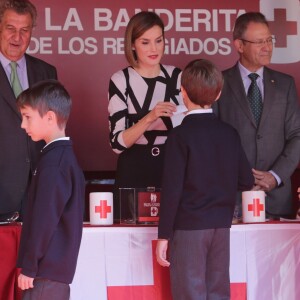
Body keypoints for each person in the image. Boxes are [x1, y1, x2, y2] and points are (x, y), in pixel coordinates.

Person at [156, 59, 254, 300]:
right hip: (221, 225)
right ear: (218, 93)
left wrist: (163, 235)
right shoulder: (229, 134)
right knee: (218, 292)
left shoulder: (179, 136)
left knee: (190, 292)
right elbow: (246, 180)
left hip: (189, 227)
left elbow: (172, 190)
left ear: (183, 92)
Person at [215, 12, 300, 219]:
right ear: (239, 45)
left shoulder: (285, 84)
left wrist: (275, 176)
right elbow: (211, 142)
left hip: (277, 198)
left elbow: (297, 136)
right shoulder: (219, 83)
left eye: (269, 40)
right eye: (259, 42)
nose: (267, 47)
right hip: (232, 200)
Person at [108, 11, 185, 220]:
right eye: (145, 42)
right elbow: (117, 143)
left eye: (158, 41)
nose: (154, 49)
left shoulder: (177, 77)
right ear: (132, 45)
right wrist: (150, 117)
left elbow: (187, 130)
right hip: (133, 172)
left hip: (171, 169)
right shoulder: (120, 79)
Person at [16, 80, 85, 300]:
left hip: (45, 273)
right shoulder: (58, 158)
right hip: (51, 272)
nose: (23, 125)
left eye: (27, 117)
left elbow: (44, 220)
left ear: (50, 117)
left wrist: (30, 265)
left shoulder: (55, 163)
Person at [0, 0, 57, 218]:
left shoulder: (47, 73)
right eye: (10, 29)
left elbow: (54, 133)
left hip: (38, 195)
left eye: (24, 30)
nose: (17, 37)